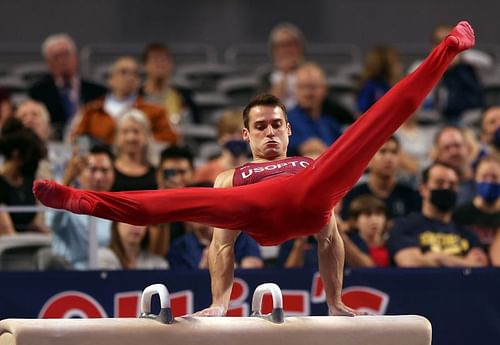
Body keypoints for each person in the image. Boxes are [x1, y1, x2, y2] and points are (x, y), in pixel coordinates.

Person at [34, 21, 475, 315]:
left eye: (277, 125)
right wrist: (220, 304)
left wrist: (336, 302)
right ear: (244, 136)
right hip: (250, 204)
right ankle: (79, 200)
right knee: (165, 203)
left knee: (378, 122)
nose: (269, 133)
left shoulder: (311, 162)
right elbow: (222, 247)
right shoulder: (232, 176)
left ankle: (448, 49)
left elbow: (329, 240)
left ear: (288, 130)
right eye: (259, 126)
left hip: (310, 192)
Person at [387, 162, 488, 267]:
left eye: (452, 184)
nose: (446, 188)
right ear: (423, 189)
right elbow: (410, 262)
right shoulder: (404, 226)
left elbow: (480, 264)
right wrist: (465, 263)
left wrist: (437, 257)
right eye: (439, 183)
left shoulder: (467, 233)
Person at [72, 56, 179, 146]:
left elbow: (171, 139)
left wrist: (140, 141)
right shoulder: (91, 111)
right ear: (110, 79)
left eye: (135, 74)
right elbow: (76, 140)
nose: (130, 78)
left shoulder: (156, 111)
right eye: (123, 72)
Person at [28, 33, 107, 140]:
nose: (62, 61)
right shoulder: (38, 92)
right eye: (57, 57)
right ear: (48, 62)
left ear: (75, 57)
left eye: (66, 55)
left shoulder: (97, 91)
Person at [50, 145, 114, 269]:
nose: (99, 177)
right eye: (92, 170)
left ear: (113, 174)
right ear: (79, 174)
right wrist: (67, 180)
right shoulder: (68, 203)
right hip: (71, 276)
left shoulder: (119, 207)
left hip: (110, 275)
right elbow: (52, 222)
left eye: (105, 171)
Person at [340, 136, 421, 221]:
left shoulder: (411, 196)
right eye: (382, 151)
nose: (389, 158)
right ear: (369, 159)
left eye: (394, 152)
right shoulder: (354, 196)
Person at [0, 117, 49, 235]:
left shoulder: (28, 181)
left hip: (27, 247)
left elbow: (35, 223)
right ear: (16, 154)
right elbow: (8, 233)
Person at [453, 155, 500, 265]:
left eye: (494, 177)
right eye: (484, 177)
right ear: (475, 179)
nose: (489, 181)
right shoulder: (459, 214)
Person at [287, 63, 342, 157]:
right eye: (302, 87)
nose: (307, 93)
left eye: (312, 88)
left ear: (324, 89)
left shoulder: (331, 123)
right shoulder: (284, 121)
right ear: (295, 90)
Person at [140, 42, 200, 124]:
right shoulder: (136, 96)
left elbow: (195, 124)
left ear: (171, 64)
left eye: (164, 60)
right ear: (144, 65)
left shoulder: (185, 96)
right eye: (155, 59)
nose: (160, 64)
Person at [168, 221, 263, 270]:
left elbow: (253, 265)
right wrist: (203, 267)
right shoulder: (179, 245)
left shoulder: (241, 236)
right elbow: (179, 279)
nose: (194, 215)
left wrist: (229, 264)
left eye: (199, 209)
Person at [194, 109, 250, 184]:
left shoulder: (256, 171)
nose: (237, 138)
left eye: (241, 133)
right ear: (220, 137)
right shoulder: (205, 172)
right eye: (231, 133)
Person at [111, 109, 158, 191]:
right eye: (125, 132)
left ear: (147, 136)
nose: (131, 138)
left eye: (136, 131)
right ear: (117, 136)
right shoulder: (107, 171)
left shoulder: (158, 173)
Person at [341, 195, 390, 268]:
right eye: (368, 215)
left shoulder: (392, 241)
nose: (374, 221)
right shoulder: (348, 242)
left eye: (379, 214)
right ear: (355, 221)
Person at [431, 126, 476, 204]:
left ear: (468, 149)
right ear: (438, 154)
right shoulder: (432, 187)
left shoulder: (483, 179)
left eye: (457, 145)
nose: (453, 152)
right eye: (446, 148)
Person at [97, 221, 168, 270]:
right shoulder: (101, 258)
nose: (136, 226)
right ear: (116, 224)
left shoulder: (158, 263)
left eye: (141, 221)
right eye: (129, 220)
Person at [357, 46, 402, 113]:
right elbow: (362, 110)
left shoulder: (392, 86)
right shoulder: (370, 86)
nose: (400, 66)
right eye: (395, 63)